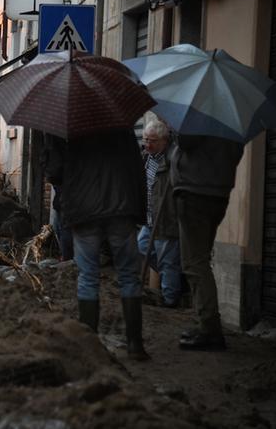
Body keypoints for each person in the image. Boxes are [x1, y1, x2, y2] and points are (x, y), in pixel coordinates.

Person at [44, 128, 149, 361]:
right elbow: (136, 168)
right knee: (129, 276)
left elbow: (55, 171)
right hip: (121, 206)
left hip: (84, 209)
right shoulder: (120, 124)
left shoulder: (67, 123)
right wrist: (139, 211)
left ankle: (89, 346)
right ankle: (134, 344)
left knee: (88, 275)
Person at [171, 134, 244, 351]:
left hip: (194, 192)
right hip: (218, 194)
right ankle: (205, 323)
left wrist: (175, 128)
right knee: (201, 259)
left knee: (194, 263)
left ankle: (210, 328)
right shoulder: (232, 124)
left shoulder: (199, 112)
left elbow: (185, 140)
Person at [137, 121, 182, 307]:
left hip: (166, 219)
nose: (147, 144)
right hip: (149, 218)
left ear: (164, 141)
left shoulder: (173, 157)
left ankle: (170, 301)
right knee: (142, 247)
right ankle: (173, 280)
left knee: (167, 262)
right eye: (145, 139)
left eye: (152, 141)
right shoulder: (146, 157)